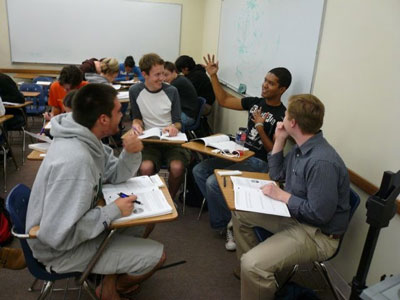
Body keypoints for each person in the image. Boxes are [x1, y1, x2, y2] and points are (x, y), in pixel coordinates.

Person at [26, 83, 165, 299]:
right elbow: (58, 235)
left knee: (144, 222)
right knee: (158, 255)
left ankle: (108, 280)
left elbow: (115, 174)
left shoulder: (88, 139)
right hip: (60, 252)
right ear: (103, 119)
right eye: (119, 111)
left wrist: (130, 153)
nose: (123, 116)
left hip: (74, 230)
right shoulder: (76, 161)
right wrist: (111, 212)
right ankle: (112, 289)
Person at [232, 94, 350, 300]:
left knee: (252, 264)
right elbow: (276, 175)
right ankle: (256, 275)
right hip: (296, 216)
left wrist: (283, 196)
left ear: (293, 122)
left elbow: (320, 215)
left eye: (285, 115)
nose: (282, 118)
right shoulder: (300, 147)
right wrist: (279, 139)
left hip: (318, 234)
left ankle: (255, 270)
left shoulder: (322, 162)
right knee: (240, 212)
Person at [193, 54, 291, 251]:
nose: (264, 85)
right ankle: (230, 219)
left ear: (282, 89)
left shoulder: (284, 115)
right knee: (200, 170)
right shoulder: (256, 103)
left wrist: (261, 127)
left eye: (270, 84)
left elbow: (274, 151)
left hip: (260, 162)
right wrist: (213, 76)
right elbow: (224, 100)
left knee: (214, 182)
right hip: (241, 154)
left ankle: (230, 225)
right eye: (265, 80)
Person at [129, 53, 191, 200]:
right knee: (145, 168)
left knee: (177, 168)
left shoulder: (171, 91)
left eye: (163, 74)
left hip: (171, 140)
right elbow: (137, 118)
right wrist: (136, 125)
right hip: (150, 141)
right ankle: (150, 198)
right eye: (157, 75)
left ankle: (169, 199)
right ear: (144, 74)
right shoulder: (135, 91)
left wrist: (173, 127)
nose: (162, 78)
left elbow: (178, 121)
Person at [164, 61, 199, 132]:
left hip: (187, 117)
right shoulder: (179, 78)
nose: (164, 78)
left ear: (174, 72)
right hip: (187, 113)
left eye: (166, 75)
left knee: (161, 120)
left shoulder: (176, 83)